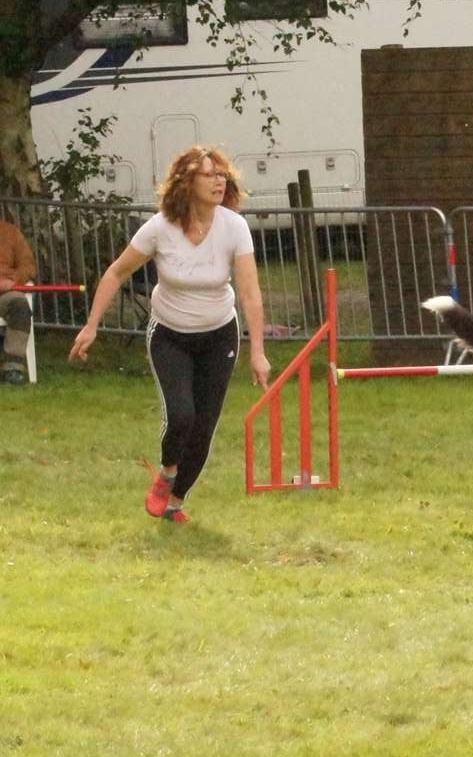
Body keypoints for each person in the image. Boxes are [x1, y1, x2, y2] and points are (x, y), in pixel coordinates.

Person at [69, 145, 270, 523]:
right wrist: (92, 324)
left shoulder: (234, 227)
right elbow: (115, 273)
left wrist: (257, 352)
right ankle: (166, 474)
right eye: (208, 174)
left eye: (221, 174)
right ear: (186, 182)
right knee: (181, 415)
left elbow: (249, 293)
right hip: (170, 335)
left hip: (219, 336)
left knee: (204, 427)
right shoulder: (160, 227)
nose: (218, 180)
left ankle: (175, 500)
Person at [0, 216, 37, 386]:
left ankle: (13, 368)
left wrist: (14, 280)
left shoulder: (11, 232)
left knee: (19, 304)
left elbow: (28, 266)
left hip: (5, 292)